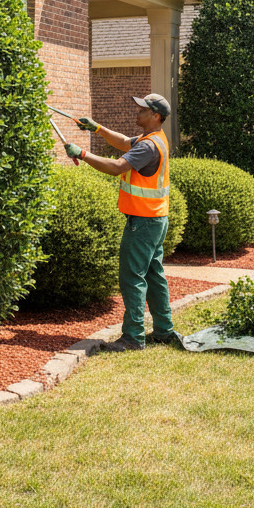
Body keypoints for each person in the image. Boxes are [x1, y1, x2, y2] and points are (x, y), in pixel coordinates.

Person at [64, 94, 182, 352]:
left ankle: (133, 337)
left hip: (143, 221)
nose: (137, 112)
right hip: (156, 218)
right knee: (153, 274)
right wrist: (96, 127)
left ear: (156, 116)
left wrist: (83, 154)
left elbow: (117, 166)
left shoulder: (148, 147)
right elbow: (122, 141)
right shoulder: (153, 139)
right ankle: (164, 330)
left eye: (142, 109)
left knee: (132, 277)